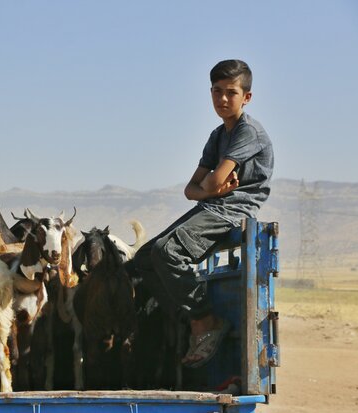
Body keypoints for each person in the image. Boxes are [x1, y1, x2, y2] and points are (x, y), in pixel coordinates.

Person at [128, 59, 274, 368]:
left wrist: (210, 187)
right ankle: (189, 320)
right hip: (213, 206)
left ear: (246, 97)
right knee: (143, 259)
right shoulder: (217, 135)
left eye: (231, 93)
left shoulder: (249, 133)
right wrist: (210, 189)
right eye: (216, 91)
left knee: (168, 251)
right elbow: (191, 189)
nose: (222, 99)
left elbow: (213, 181)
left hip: (234, 210)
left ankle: (206, 321)